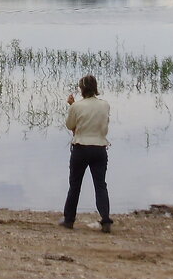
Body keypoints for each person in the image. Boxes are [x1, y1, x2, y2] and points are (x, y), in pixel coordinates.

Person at [59, 74, 113, 233]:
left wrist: (71, 106)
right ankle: (105, 220)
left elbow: (71, 126)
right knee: (100, 185)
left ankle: (69, 220)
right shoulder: (105, 105)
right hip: (99, 148)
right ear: (95, 87)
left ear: (81, 89)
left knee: (75, 186)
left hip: (81, 148)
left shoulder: (77, 106)